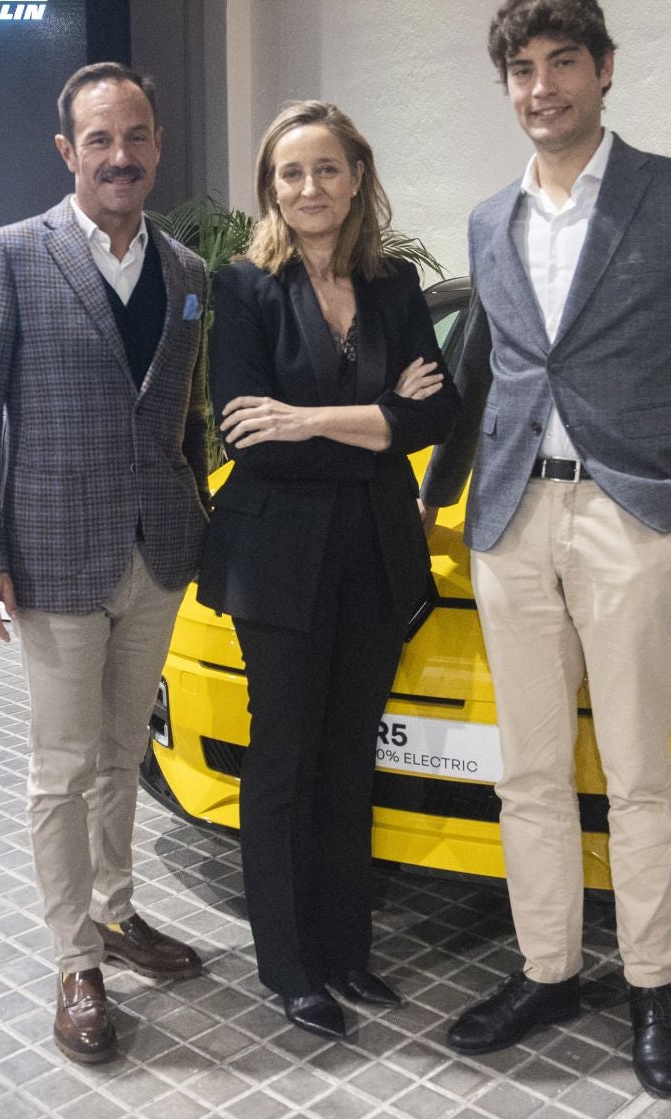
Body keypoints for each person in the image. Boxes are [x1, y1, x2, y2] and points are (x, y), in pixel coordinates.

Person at [420, 0, 671, 1099]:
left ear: (605, 67)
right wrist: (436, 491)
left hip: (634, 514)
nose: (542, 87)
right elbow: (487, 368)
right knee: (528, 766)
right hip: (513, 518)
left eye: (561, 61)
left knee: (635, 772)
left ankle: (654, 984)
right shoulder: (492, 219)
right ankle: (547, 968)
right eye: (522, 70)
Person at [0, 61, 211, 1067]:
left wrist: (194, 519)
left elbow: (180, 416)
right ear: (68, 151)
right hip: (53, 557)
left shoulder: (184, 273)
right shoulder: (11, 254)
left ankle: (116, 911)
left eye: (135, 135)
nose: (120, 155)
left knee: (118, 754)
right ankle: (74, 963)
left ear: (155, 145)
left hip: (154, 555)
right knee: (61, 767)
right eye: (98, 139)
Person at [196, 101, 460, 1041]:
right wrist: (377, 419)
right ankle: (291, 965)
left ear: (357, 176)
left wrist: (308, 417)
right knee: (282, 762)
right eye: (289, 174)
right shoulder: (245, 287)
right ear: (273, 188)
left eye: (326, 170)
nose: (309, 189)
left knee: (350, 758)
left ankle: (350, 950)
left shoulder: (393, 288)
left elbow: (436, 418)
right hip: (278, 560)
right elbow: (248, 438)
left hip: (376, 554)